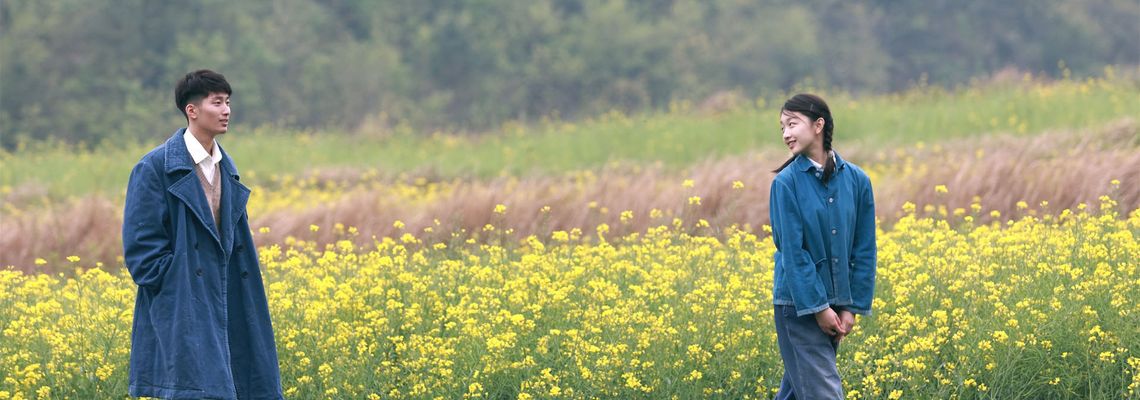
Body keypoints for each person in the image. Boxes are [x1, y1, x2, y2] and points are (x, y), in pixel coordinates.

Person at [123, 70, 283, 399]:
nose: (226, 110)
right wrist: (175, 284)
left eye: (228, 103)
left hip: (230, 295)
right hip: (185, 303)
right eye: (217, 102)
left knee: (241, 384)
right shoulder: (154, 168)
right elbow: (142, 252)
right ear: (192, 111)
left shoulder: (227, 168)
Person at [768, 94, 876, 399]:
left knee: (800, 390)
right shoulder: (786, 184)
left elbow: (864, 248)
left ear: (818, 125)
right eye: (782, 128)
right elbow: (793, 252)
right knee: (823, 392)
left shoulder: (857, 180)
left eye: (792, 124)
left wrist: (851, 305)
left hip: (836, 304)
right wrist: (818, 308)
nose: (786, 134)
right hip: (798, 307)